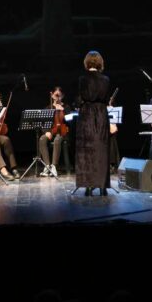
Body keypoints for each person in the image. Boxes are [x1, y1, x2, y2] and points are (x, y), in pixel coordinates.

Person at [75, 50, 112, 196]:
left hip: (86, 115)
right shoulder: (106, 79)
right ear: (100, 62)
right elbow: (106, 98)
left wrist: (79, 103)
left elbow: (80, 99)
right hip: (101, 114)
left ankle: (89, 186)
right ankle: (103, 187)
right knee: (101, 149)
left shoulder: (82, 79)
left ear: (86, 62)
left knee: (86, 150)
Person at [39, 86, 67, 177]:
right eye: (56, 95)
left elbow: (70, 122)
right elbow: (43, 123)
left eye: (59, 95)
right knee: (42, 138)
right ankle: (47, 166)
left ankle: (54, 166)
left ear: (62, 96)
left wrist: (64, 111)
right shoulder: (48, 108)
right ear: (52, 96)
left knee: (57, 140)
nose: (57, 97)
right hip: (52, 131)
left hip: (62, 132)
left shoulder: (66, 107)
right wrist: (46, 132)